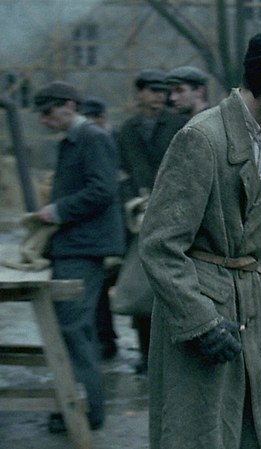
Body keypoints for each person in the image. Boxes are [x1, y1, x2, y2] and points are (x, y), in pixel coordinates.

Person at [139, 31, 261, 449]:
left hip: (260, 309)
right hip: (206, 311)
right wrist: (200, 322)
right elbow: (159, 245)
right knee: (205, 432)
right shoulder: (201, 138)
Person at [32, 81, 125, 432]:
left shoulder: (92, 138)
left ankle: (87, 412)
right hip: (74, 246)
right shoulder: (74, 140)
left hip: (84, 248)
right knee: (69, 329)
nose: (44, 120)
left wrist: (57, 211)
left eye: (48, 112)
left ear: (69, 106)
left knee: (74, 329)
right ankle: (73, 404)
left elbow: (103, 190)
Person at [116, 68, 188, 374]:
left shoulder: (179, 125)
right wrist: (131, 201)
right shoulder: (126, 130)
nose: (159, 97)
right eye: (153, 91)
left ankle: (172, 354)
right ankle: (146, 353)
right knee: (140, 286)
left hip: (173, 215)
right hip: (137, 217)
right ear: (139, 94)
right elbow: (120, 173)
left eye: (163, 91)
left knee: (171, 286)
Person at [77, 95, 121, 359]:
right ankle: (106, 338)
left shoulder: (114, 140)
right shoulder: (89, 141)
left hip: (126, 221)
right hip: (103, 225)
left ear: (101, 118)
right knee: (102, 285)